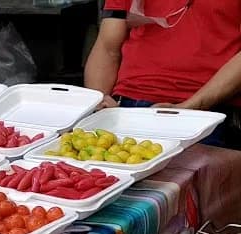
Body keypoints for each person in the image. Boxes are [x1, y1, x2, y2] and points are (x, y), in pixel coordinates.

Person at [84, 0, 241, 147]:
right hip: (126, 108)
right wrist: (100, 100)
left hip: (206, 113)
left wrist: (192, 106)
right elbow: (107, 47)